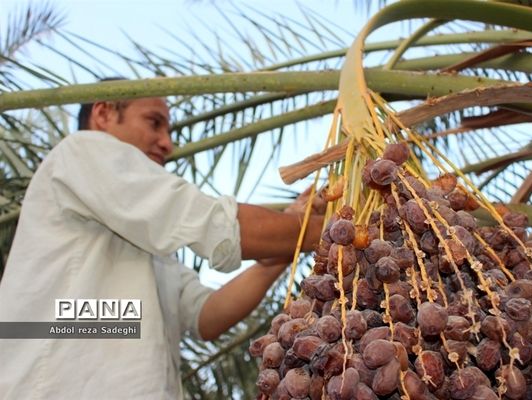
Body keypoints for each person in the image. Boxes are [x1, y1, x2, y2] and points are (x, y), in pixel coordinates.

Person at [0, 94, 325, 399]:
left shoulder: (142, 245)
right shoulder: (83, 150)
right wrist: (319, 230)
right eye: (154, 122)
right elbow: (210, 223)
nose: (167, 144)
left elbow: (205, 316)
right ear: (104, 113)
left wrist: (288, 242)